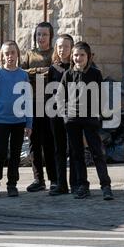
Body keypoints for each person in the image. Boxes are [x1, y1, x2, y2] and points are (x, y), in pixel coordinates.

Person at [56, 41, 114, 200]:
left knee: (97, 153)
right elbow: (60, 97)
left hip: (90, 120)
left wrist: (99, 114)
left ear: (89, 57)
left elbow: (102, 95)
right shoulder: (67, 75)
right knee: (77, 154)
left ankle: (106, 186)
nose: (78, 58)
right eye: (75, 55)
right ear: (72, 57)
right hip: (73, 121)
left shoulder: (95, 74)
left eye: (82, 55)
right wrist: (65, 115)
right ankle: (82, 185)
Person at [0, 40, 32, 197]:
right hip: (1, 121)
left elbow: (28, 99)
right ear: (2, 56)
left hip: (19, 121)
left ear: (17, 54)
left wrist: (29, 122)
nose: (10, 56)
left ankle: (12, 184)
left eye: (13, 53)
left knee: (15, 153)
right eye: (7, 53)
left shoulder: (23, 75)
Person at [21, 22, 57, 192]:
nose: (41, 38)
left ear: (50, 36)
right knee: (34, 143)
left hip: (50, 102)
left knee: (50, 142)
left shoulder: (54, 54)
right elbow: (22, 74)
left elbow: (54, 72)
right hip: (32, 103)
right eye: (38, 35)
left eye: (44, 34)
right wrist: (39, 72)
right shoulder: (29, 55)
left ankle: (54, 179)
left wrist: (38, 72)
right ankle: (38, 179)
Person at [47, 34, 78, 195]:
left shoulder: (76, 68)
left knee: (74, 148)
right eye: (59, 46)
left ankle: (75, 183)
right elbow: (49, 93)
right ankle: (61, 183)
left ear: (72, 48)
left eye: (66, 46)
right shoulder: (53, 68)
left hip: (73, 113)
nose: (62, 49)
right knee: (58, 149)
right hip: (56, 113)